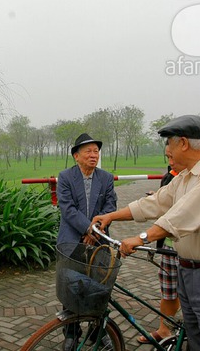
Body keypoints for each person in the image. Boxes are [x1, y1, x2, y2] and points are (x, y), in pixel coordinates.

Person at [91, 115, 200, 351]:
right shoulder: (185, 176)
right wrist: (111, 216)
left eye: (169, 146)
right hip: (188, 271)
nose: (168, 153)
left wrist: (142, 238)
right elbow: (155, 203)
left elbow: (182, 216)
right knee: (196, 341)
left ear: (183, 143)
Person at [57, 133, 117, 351]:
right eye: (88, 152)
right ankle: (71, 333)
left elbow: (110, 206)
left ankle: (96, 331)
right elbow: (67, 208)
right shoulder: (65, 177)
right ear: (76, 156)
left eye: (96, 151)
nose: (94, 155)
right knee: (70, 287)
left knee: (99, 289)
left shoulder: (106, 178)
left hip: (98, 242)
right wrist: (87, 228)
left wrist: (95, 232)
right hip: (72, 242)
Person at [137, 160, 184, 344]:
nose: (172, 160)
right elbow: (162, 204)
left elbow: (181, 212)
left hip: (191, 248)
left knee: (191, 293)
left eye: (174, 155)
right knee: (169, 290)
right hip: (169, 246)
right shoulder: (171, 176)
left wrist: (141, 238)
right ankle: (164, 329)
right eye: (168, 156)